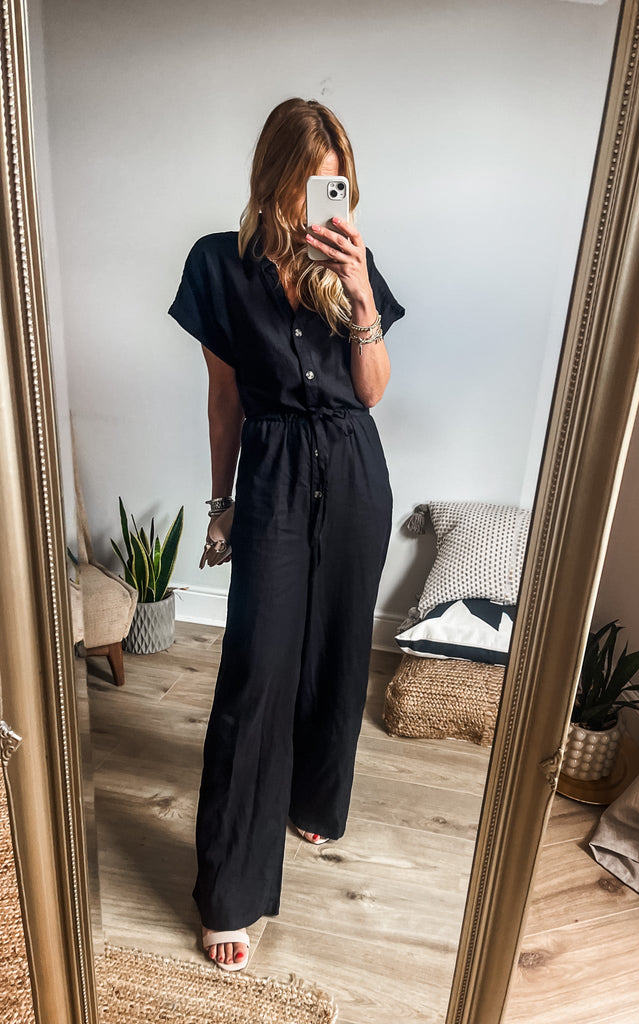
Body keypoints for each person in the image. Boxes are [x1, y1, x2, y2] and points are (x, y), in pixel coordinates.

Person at [168, 98, 404, 971]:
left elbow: (370, 391)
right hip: (270, 470)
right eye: (308, 182)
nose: (319, 200)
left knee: (338, 650)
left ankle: (313, 799)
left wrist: (362, 293)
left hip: (354, 469)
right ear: (275, 177)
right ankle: (230, 890)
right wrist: (221, 502)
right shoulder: (216, 265)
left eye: (334, 182)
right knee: (257, 670)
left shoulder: (351, 263)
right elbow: (224, 400)